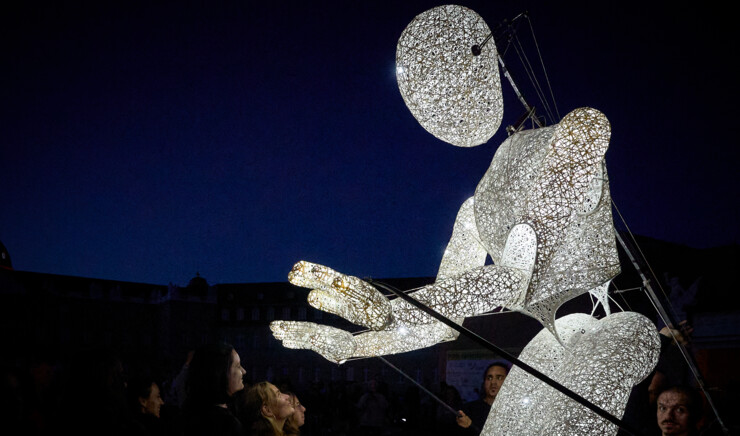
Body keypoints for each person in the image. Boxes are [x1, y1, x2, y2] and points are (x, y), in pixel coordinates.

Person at [182, 342, 246, 436]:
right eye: (237, 366)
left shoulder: (190, 413)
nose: (244, 371)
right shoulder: (226, 425)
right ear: (220, 372)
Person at [455, 361, 509, 435]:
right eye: (489, 378)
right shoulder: (469, 410)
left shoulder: (514, 411)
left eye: (499, 378)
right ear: (484, 382)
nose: (493, 382)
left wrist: (472, 426)